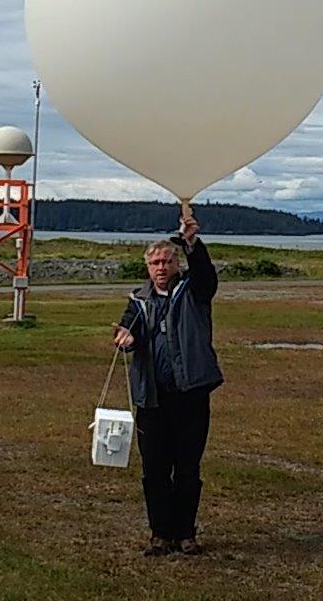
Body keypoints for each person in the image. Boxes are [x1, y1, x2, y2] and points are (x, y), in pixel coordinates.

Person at [112, 213, 222, 557]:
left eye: (167, 261)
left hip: (190, 395)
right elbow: (126, 330)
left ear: (177, 264)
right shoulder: (138, 300)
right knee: (154, 470)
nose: (161, 267)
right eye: (155, 263)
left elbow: (206, 277)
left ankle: (186, 534)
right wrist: (125, 338)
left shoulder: (194, 291)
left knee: (188, 468)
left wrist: (191, 243)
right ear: (147, 268)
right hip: (152, 398)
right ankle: (160, 533)